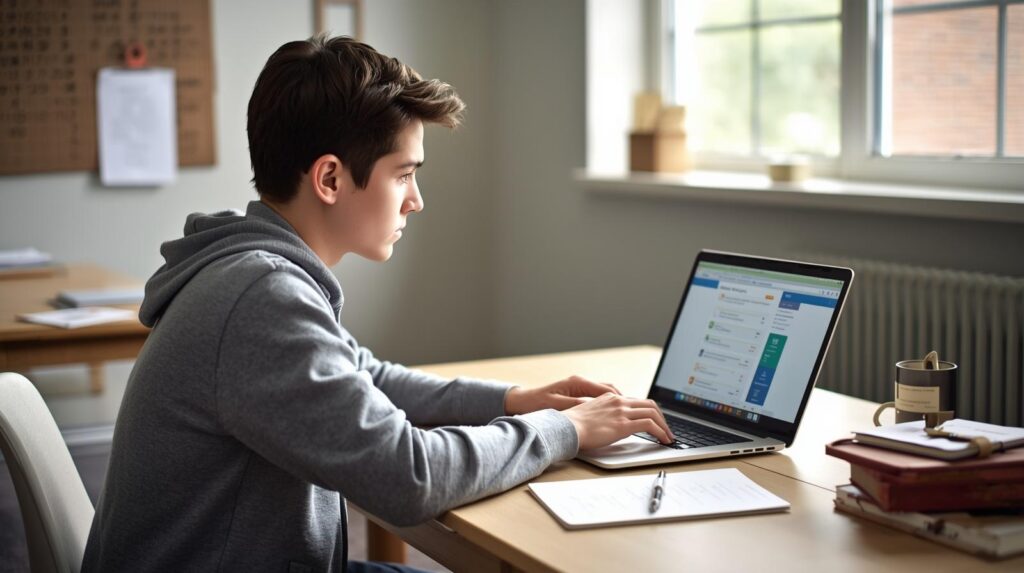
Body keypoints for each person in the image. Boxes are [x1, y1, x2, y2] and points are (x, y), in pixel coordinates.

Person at [81, 35, 673, 572]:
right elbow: (408, 477)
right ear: (331, 179)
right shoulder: (260, 296)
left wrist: (515, 400)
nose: (416, 200)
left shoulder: (253, 269)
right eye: (404, 175)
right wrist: (562, 430)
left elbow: (367, 379)